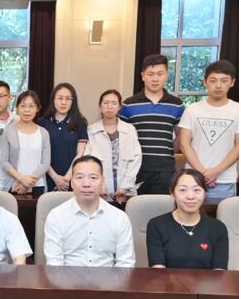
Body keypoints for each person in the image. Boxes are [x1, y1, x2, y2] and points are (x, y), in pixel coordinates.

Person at [44, 155, 135, 267]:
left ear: (102, 181)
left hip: (108, 278)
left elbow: (125, 263)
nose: (86, 184)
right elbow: (54, 264)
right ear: (71, 182)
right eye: (79, 177)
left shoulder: (119, 218)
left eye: (93, 177)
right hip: (66, 278)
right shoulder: (57, 216)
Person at [119, 54, 184, 195]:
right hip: (136, 168)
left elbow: (182, 136)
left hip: (165, 169)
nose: (155, 79)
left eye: (160, 74)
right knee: (135, 205)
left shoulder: (177, 105)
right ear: (143, 76)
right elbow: (121, 137)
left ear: (166, 75)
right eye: (150, 74)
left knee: (161, 205)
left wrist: (168, 152)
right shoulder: (128, 105)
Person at [178, 60, 238, 204]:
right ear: (205, 82)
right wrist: (202, 173)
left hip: (224, 181)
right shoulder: (192, 109)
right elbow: (184, 143)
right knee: (189, 216)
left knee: (224, 217)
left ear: (232, 82)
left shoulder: (238, 110)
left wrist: (216, 171)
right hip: (193, 179)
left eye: (224, 81)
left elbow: (239, 146)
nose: (218, 85)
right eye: (213, 80)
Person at [146, 169, 228, 269]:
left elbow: (219, 272)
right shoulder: (156, 225)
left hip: (207, 280)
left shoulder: (218, 228)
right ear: (172, 193)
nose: (190, 196)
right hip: (167, 280)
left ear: (205, 193)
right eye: (183, 190)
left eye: (196, 190)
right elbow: (158, 271)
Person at [85, 89, 142, 203]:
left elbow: (136, 158)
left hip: (125, 190)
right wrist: (99, 185)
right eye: (106, 103)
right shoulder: (91, 130)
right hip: (100, 190)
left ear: (119, 107)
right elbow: (88, 161)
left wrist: (125, 186)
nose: (109, 106)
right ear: (100, 106)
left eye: (114, 103)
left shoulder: (129, 129)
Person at [39, 83, 88, 192]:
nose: (64, 102)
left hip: (72, 178)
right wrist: (55, 177)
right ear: (53, 100)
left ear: (73, 101)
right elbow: (40, 154)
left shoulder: (80, 123)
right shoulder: (42, 123)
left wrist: (68, 177)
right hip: (47, 177)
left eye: (68, 99)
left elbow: (80, 153)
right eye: (60, 98)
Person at [0, 90, 50, 195]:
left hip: (38, 185)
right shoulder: (8, 131)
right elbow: (4, 161)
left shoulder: (44, 133)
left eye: (31, 106)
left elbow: (45, 163)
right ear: (17, 108)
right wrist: (22, 179)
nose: (27, 110)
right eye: (23, 106)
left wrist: (28, 182)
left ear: (37, 108)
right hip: (15, 185)